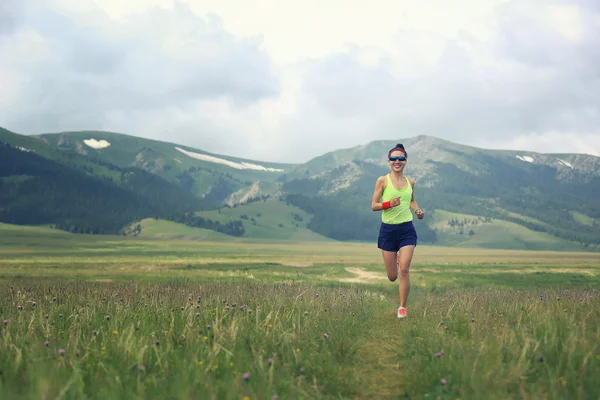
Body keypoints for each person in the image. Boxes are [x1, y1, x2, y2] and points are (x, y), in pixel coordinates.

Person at [371, 143, 424, 318]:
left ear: (405, 161)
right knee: (393, 276)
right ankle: (397, 259)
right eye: (393, 158)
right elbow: (374, 206)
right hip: (388, 230)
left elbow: (411, 200)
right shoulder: (382, 181)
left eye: (400, 158)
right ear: (389, 161)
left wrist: (417, 210)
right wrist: (388, 204)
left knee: (405, 270)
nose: (397, 161)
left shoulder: (411, 182)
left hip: (406, 229)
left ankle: (402, 308)